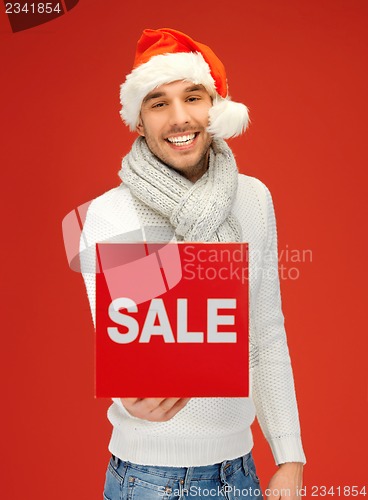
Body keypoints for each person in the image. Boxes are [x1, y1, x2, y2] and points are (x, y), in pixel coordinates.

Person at [78, 28, 306, 500]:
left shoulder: (253, 199)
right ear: (138, 121)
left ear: (215, 107)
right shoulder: (110, 214)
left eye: (193, 97)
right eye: (158, 103)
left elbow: (265, 333)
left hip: (240, 472)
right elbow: (125, 340)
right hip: (147, 477)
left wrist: (289, 455)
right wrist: (131, 395)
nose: (180, 118)